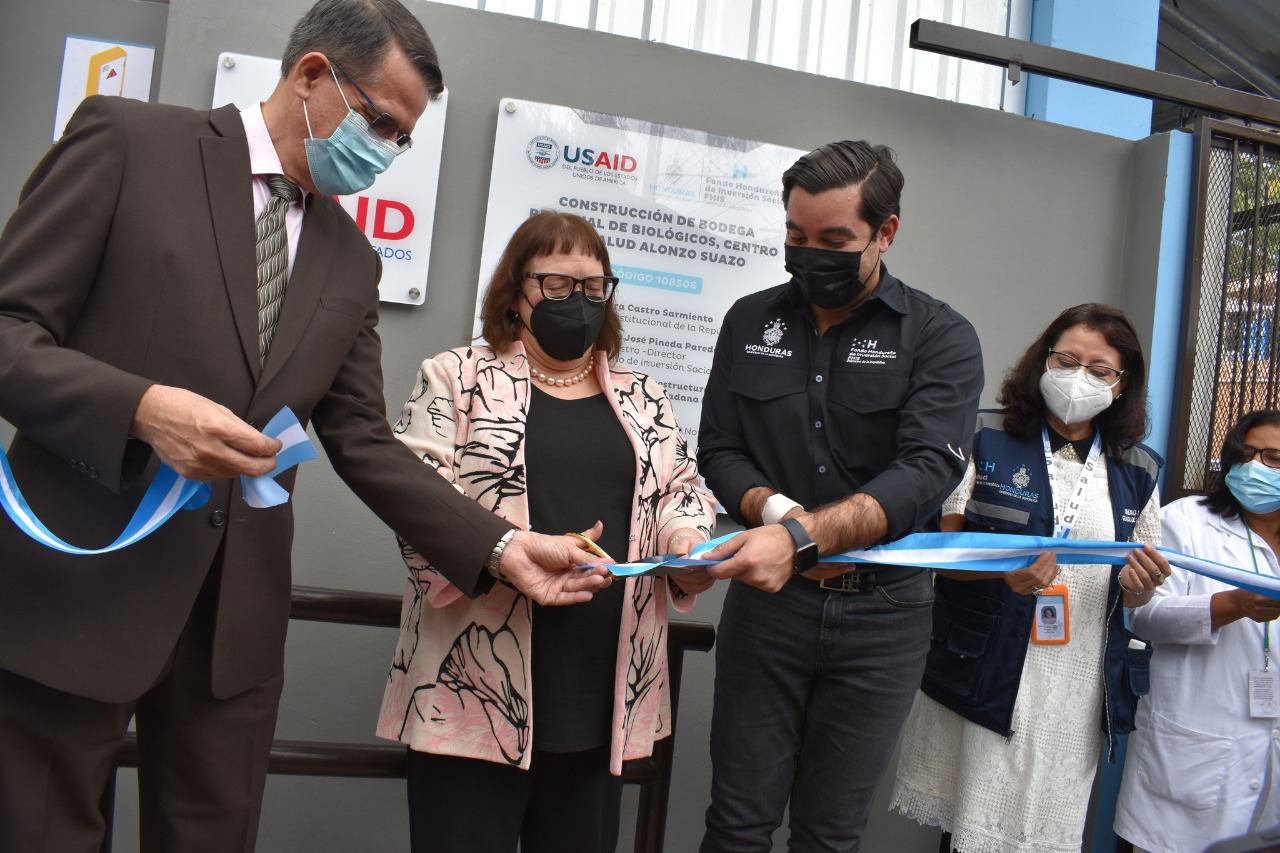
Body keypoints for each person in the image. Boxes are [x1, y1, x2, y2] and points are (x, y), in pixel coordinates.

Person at [0, 3, 609, 850]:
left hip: (232, 632)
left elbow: (363, 439)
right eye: (380, 123)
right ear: (313, 75)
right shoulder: (130, 143)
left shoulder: (351, 259)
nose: (386, 152)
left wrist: (503, 546)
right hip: (77, 591)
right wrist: (141, 408)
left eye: (402, 139)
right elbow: (11, 331)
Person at [377, 210, 716, 853]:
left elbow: (682, 491)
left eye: (593, 287)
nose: (576, 300)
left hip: (603, 688)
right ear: (516, 291)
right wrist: (504, 555)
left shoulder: (645, 395)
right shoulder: (456, 376)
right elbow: (413, 496)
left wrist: (686, 547)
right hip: (474, 685)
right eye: (556, 284)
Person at [696, 139, 985, 851]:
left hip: (883, 617)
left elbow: (928, 468)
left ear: (886, 232)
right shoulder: (749, 321)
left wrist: (801, 537)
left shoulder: (940, 336)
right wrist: (779, 516)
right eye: (796, 237)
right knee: (735, 825)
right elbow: (720, 450)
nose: (809, 255)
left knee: (829, 836)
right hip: (771, 608)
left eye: (834, 241)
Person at [890, 303, 1172, 853]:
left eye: (1100, 370)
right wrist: (1001, 574)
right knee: (968, 824)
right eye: (1067, 361)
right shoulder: (985, 435)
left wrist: (1141, 586)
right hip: (988, 662)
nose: (1079, 377)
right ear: (1043, 360)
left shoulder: (1139, 468)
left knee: (1043, 828)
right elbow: (939, 551)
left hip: (1075, 680)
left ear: (1122, 385)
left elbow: (1135, 587)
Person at [1115, 410, 1280, 853]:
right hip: (1195, 749)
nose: (1256, 468)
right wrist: (1233, 606)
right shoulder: (1185, 520)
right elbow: (1144, 615)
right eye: (1245, 455)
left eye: (1273, 458)